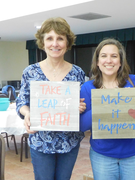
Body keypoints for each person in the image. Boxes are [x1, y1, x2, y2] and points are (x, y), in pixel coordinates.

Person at [80, 38, 135, 180]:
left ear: (121, 61)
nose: (109, 60)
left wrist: (131, 97)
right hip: (102, 155)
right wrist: (103, 104)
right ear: (98, 62)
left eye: (114, 56)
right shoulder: (88, 87)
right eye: (103, 56)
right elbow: (81, 125)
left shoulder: (133, 81)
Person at [16, 17, 86, 180]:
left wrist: (81, 107)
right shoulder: (30, 72)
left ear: (67, 43)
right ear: (42, 42)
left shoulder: (78, 73)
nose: (55, 44)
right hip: (41, 141)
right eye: (50, 38)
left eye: (60, 38)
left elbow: (84, 104)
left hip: (69, 141)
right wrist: (27, 113)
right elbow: (21, 102)